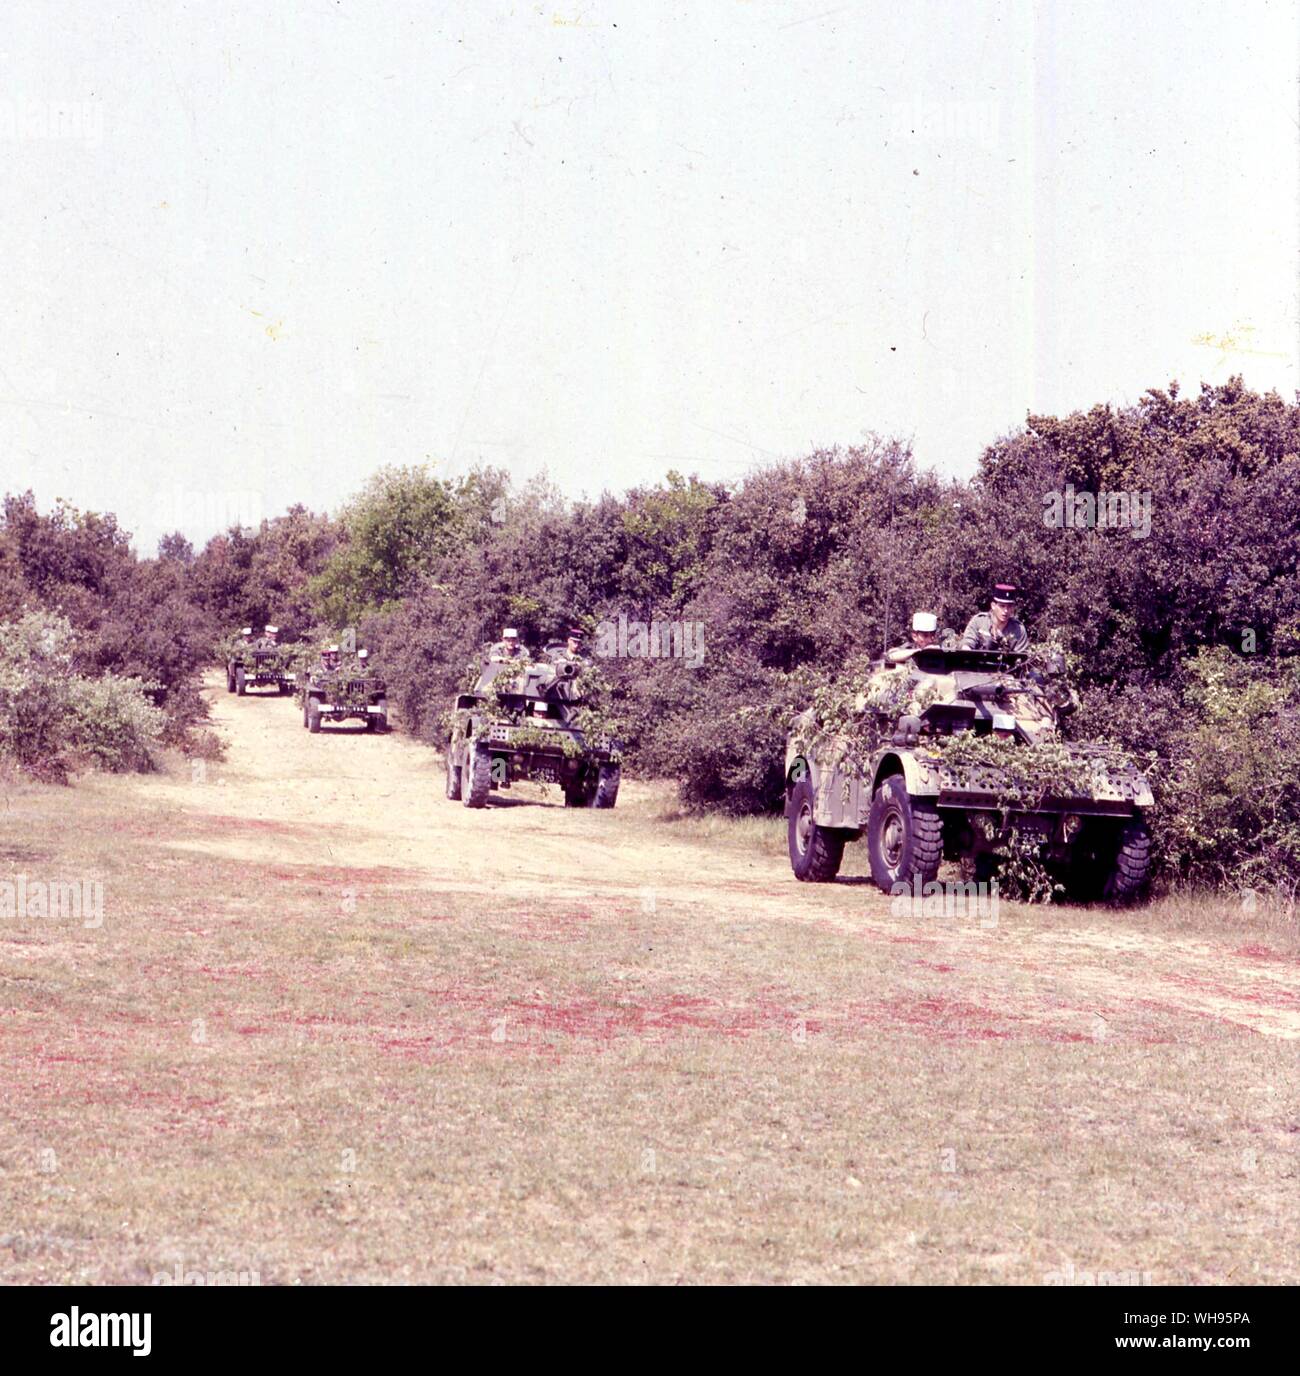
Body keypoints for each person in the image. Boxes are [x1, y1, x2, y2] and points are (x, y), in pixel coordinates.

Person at [961, 584, 1029, 652]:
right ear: (993, 606)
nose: (1006, 611)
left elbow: (1022, 657)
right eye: (1002, 606)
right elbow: (967, 643)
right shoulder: (979, 622)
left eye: (1009, 606)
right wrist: (966, 649)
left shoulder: (1018, 629)